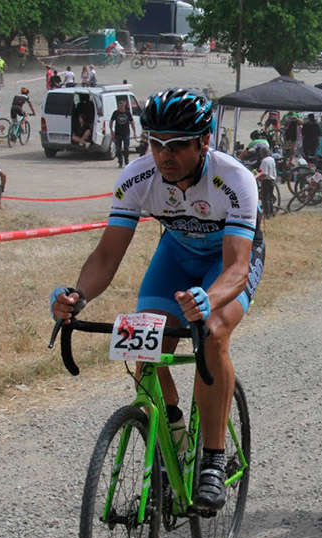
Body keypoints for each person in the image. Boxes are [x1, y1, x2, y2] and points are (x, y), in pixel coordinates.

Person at [50, 88, 265, 512]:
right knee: (143, 340)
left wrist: (209, 298)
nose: (164, 155)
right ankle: (176, 439)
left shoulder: (234, 178)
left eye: (177, 145)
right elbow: (107, 256)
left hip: (228, 261)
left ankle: (213, 460)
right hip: (178, 255)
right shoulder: (137, 177)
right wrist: (78, 297)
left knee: (213, 333)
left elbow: (237, 269)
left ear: (204, 141)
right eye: (155, 143)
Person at [109, 98, 137, 167]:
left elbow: (132, 122)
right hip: (118, 134)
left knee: (126, 148)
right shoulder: (116, 113)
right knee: (118, 149)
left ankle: (126, 161)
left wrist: (134, 132)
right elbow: (111, 122)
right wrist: (112, 131)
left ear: (124, 105)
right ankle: (120, 162)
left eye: (122, 105)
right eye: (119, 105)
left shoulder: (127, 113)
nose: (121, 106)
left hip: (126, 133)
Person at [255, 145, 277, 218]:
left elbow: (264, 174)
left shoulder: (264, 161)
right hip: (272, 180)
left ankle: (267, 214)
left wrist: (256, 178)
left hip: (266, 181)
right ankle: (271, 213)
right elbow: (262, 171)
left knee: (265, 198)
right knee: (270, 198)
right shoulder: (271, 159)